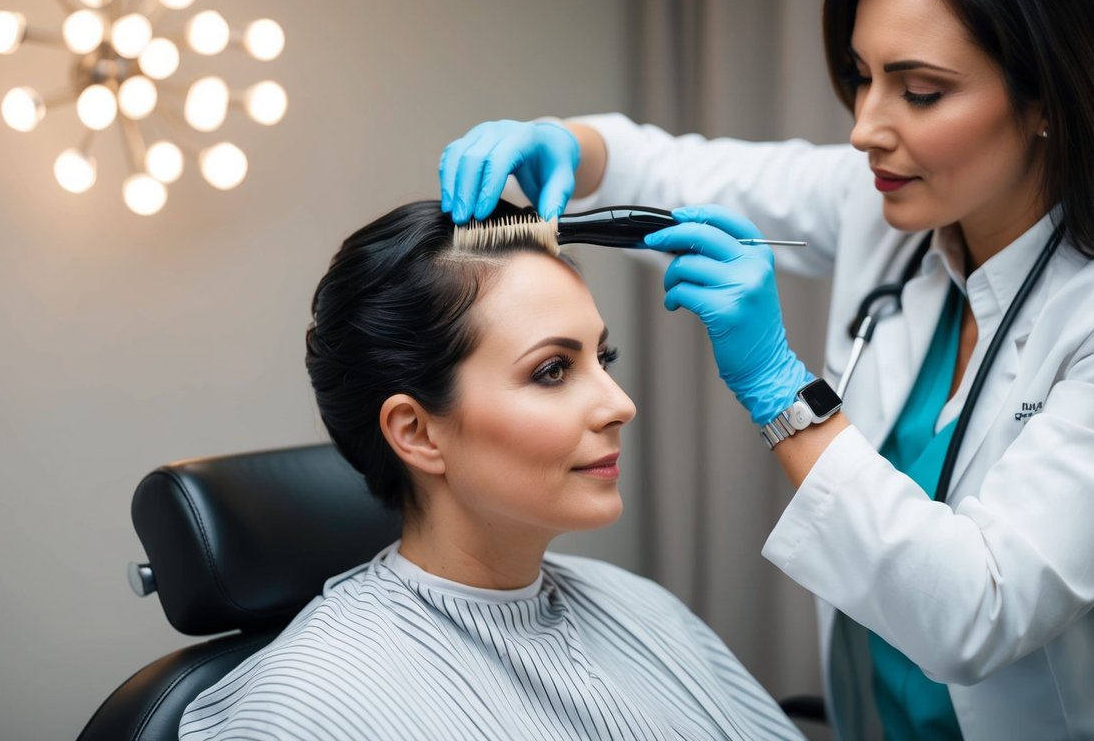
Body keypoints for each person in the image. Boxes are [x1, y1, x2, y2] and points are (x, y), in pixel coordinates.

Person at [438, 0, 1094, 739]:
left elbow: (978, 612)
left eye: (919, 91)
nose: (863, 129)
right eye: (860, 76)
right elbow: (678, 170)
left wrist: (780, 391)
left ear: (1048, 98)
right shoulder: (886, 200)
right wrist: (564, 142)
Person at [178, 199, 803, 740]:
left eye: (602, 358)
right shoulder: (308, 707)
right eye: (552, 370)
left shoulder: (639, 606)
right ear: (417, 432)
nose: (620, 404)